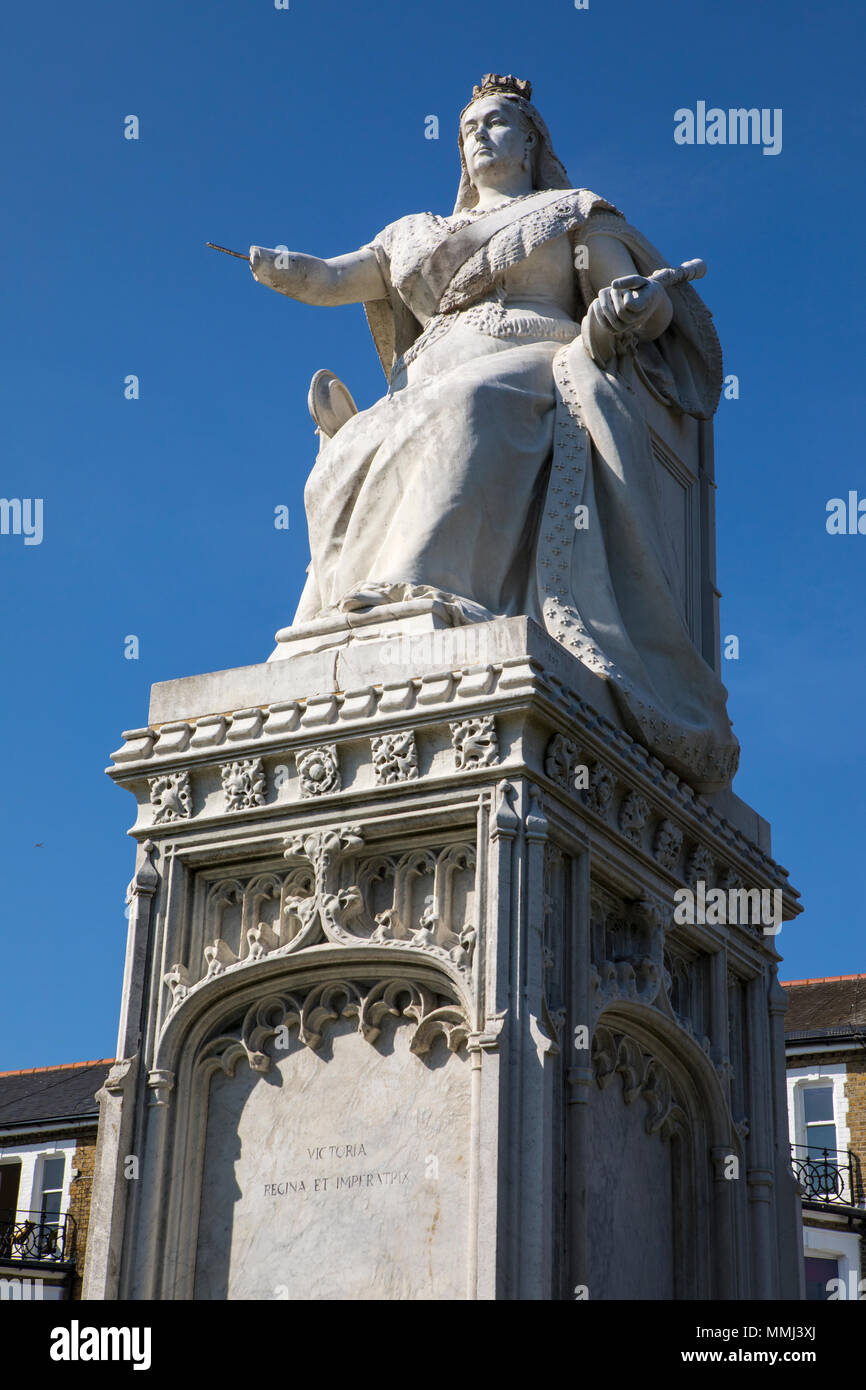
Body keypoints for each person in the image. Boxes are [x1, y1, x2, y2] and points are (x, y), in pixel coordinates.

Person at [249, 73, 738, 791]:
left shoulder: (572, 213)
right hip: (426, 374)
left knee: (465, 409)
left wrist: (631, 308)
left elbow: (636, 305)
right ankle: (347, 606)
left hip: (532, 361)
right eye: (470, 125)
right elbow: (331, 277)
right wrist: (289, 269)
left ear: (533, 140)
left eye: (500, 121)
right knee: (355, 446)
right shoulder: (412, 235)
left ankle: (422, 589)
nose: (481, 133)